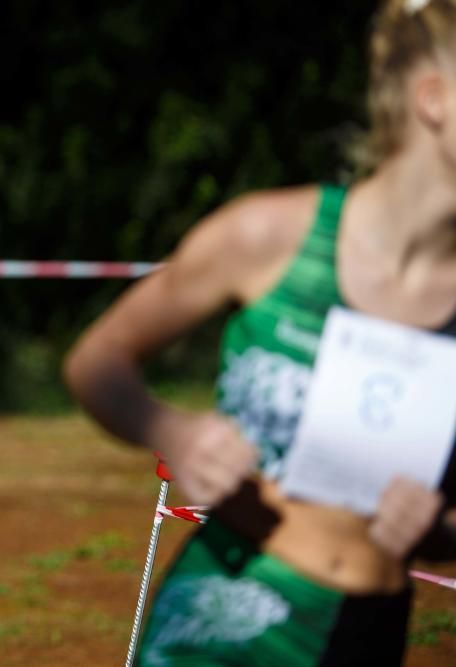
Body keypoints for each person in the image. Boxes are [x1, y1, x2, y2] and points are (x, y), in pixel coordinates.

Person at [63, 1, 456, 665]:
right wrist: (172, 432)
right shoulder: (269, 235)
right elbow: (97, 359)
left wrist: (440, 531)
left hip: (372, 630)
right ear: (434, 99)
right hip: (228, 615)